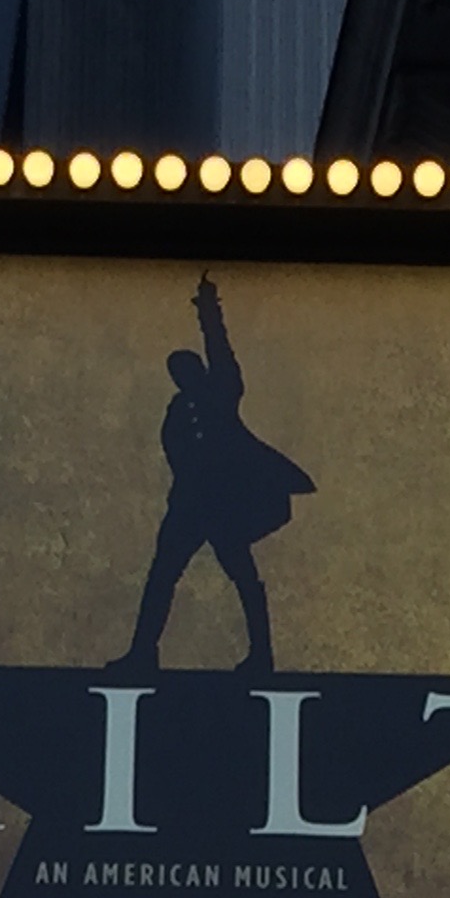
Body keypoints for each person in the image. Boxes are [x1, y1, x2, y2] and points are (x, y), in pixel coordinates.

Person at [110, 276, 315, 673]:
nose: (181, 375)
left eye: (186, 368)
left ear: (198, 369)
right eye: (176, 371)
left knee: (243, 576)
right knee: (162, 576)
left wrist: (207, 309)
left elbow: (219, 345)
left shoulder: (221, 388)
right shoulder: (177, 410)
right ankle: (143, 653)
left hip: (224, 503)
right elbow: (174, 451)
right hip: (190, 504)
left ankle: (261, 655)